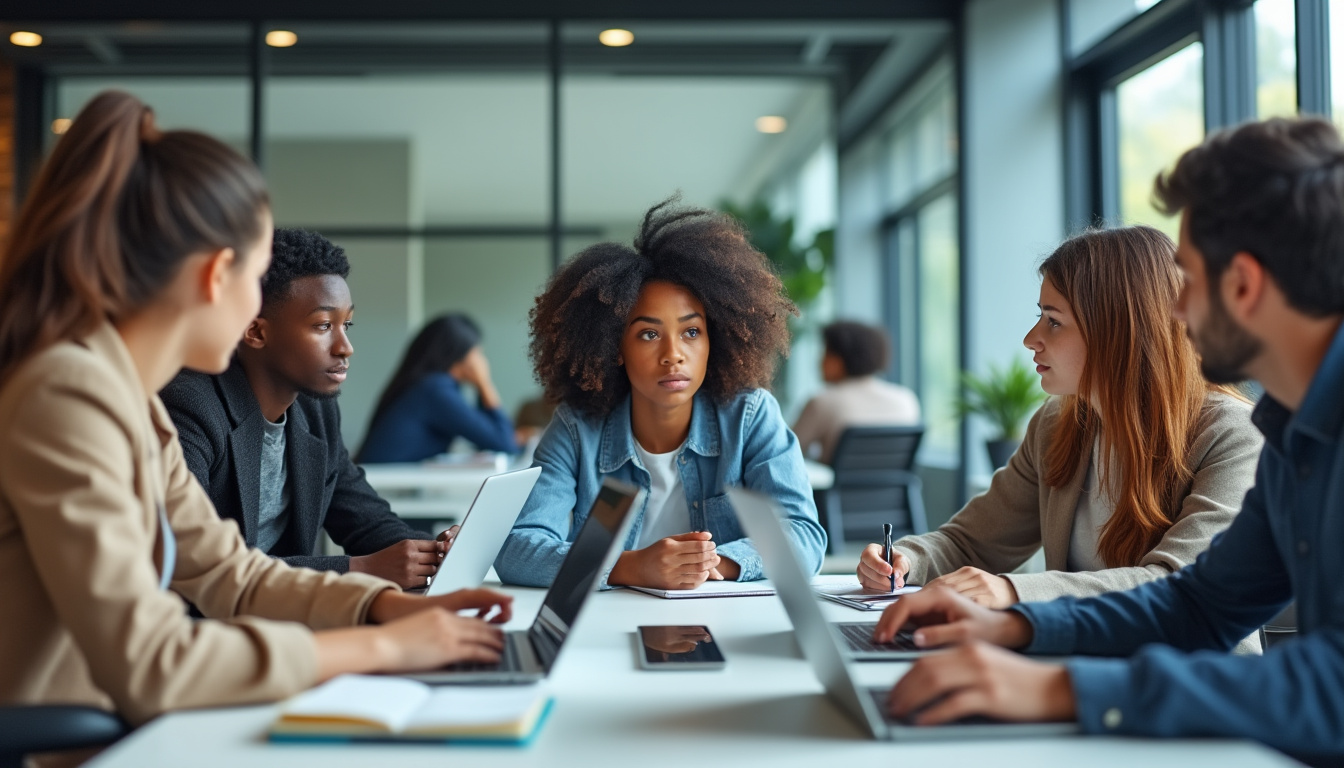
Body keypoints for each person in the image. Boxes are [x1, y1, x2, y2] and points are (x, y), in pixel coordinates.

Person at [0, 92, 512, 738]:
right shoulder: (68, 394)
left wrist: (383, 609)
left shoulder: (127, 399)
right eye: (259, 273)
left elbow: (229, 573)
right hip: (76, 746)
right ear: (218, 277)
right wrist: (380, 649)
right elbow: (150, 662)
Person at [871, 116, 1344, 762]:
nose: (1174, 313)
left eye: (1190, 282)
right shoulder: (1295, 434)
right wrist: (1015, 626)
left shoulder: (1250, 433)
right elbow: (1198, 605)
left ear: (1244, 285)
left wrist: (1061, 686)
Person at [855, 226, 1262, 623]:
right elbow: (970, 542)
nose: (1031, 338)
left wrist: (1015, 592)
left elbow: (1177, 587)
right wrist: (906, 560)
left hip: (1189, 680)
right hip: (1077, 666)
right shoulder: (1056, 426)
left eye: (1053, 320)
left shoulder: (1232, 436)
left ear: (1117, 329)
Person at [494, 197, 827, 589]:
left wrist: (711, 562)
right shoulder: (577, 428)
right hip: (609, 627)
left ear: (712, 340)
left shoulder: (750, 417)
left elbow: (804, 537)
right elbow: (517, 548)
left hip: (724, 621)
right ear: (614, 348)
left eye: (691, 332)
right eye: (649, 334)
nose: (673, 356)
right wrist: (630, 567)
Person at [161, 229, 450, 591]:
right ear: (256, 332)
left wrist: (433, 552)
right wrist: (357, 570)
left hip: (285, 616)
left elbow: (364, 518)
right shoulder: (191, 407)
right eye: (323, 325)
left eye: (347, 324)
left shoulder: (316, 410)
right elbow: (195, 562)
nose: (345, 347)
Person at [358, 313, 517, 463]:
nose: (482, 360)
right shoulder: (435, 390)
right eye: (478, 353)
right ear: (459, 354)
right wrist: (484, 383)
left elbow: (489, 439)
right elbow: (504, 444)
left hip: (388, 482)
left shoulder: (427, 386)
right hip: (382, 485)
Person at [791, 320, 921, 463]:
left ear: (840, 360)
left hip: (834, 486)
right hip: (892, 487)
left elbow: (783, 453)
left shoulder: (822, 403)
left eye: (826, 353)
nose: (819, 361)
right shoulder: (906, 399)